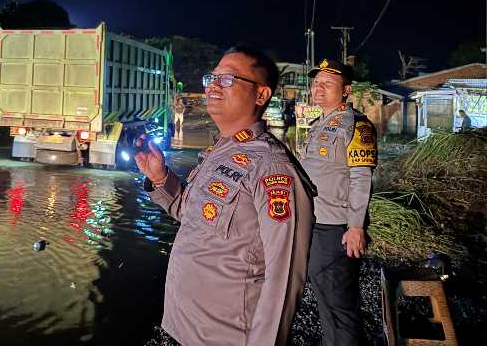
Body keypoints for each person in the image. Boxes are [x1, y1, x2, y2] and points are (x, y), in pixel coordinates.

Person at [135, 45, 316, 346]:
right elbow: (194, 216)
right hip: (183, 327)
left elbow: (283, 279)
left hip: (227, 336)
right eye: (212, 78)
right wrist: (160, 178)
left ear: (261, 95)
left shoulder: (272, 168)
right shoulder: (220, 151)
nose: (213, 86)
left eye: (228, 79)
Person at [301, 58, 378, 346]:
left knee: (340, 303)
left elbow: (361, 179)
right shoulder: (318, 123)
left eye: (327, 84)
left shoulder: (358, 126)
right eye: (316, 83)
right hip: (316, 222)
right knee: (324, 297)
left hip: (337, 228)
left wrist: (356, 226)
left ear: (346, 90)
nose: (318, 89)